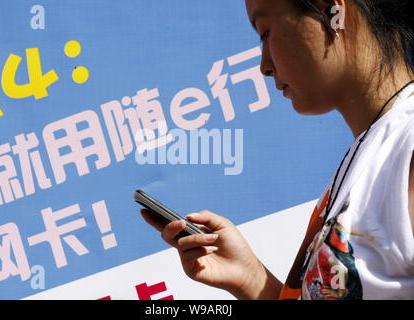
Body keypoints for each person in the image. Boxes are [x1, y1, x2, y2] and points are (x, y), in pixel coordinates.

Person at [140, 0, 414, 300]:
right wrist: (252, 279)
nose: (264, 66)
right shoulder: (368, 154)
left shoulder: (406, 144)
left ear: (331, 10)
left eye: (265, 33)